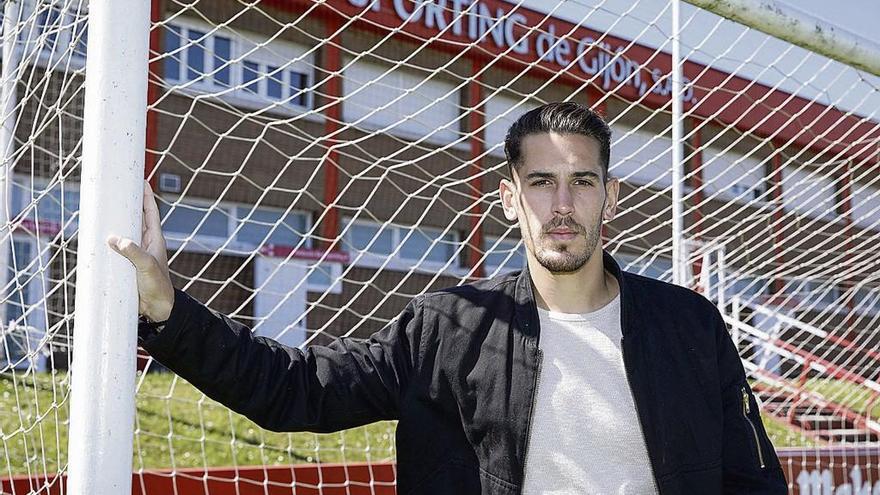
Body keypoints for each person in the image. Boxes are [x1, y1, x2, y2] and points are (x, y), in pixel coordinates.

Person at [108, 102, 787, 494]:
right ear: (508, 196)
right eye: (541, 182)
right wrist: (169, 309)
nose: (561, 205)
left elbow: (754, 481)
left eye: (582, 182)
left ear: (610, 197)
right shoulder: (451, 328)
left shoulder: (690, 325)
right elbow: (296, 389)